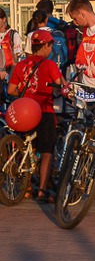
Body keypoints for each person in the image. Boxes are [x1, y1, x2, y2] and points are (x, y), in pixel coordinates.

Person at [7, 30, 65, 201]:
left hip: (23, 110)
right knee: (47, 150)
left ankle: (24, 188)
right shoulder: (49, 65)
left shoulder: (21, 65)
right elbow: (61, 86)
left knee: (26, 147)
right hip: (43, 111)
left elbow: (11, 90)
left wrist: (27, 94)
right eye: (51, 45)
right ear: (46, 46)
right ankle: (42, 190)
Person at [0, 7, 24, 78]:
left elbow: (15, 58)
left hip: (8, 73)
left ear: (4, 19)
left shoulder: (13, 35)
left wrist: (12, 77)